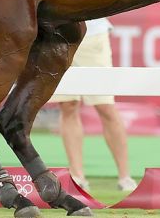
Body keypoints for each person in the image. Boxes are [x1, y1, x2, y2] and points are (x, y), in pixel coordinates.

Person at [49, 18, 137, 192]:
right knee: (68, 105)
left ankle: (125, 176)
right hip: (57, 35)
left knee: (105, 106)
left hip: (93, 35)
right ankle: (77, 176)